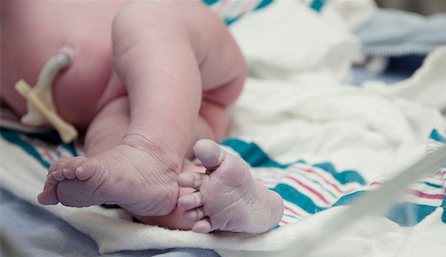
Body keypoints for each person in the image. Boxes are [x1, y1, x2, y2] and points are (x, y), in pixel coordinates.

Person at [1, 0, 283, 234]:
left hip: (185, 55)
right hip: (122, 109)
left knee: (143, 18)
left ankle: (152, 151)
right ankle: (228, 205)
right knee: (111, 169)